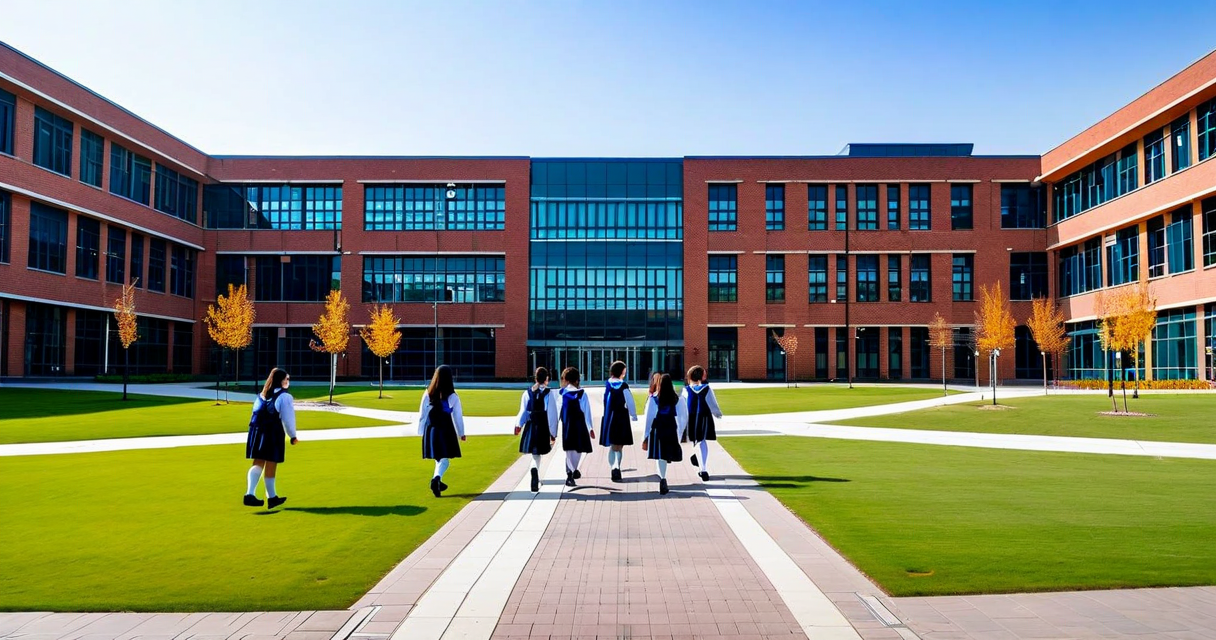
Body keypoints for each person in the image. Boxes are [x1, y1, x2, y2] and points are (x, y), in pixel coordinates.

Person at [244, 368, 298, 510]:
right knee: (271, 463)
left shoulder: (260, 396)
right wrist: (293, 436)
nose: (288, 381)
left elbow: (255, 414)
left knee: (258, 461)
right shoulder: (284, 397)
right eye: (286, 379)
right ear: (280, 380)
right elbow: (288, 419)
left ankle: (253, 494)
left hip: (256, 431)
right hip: (273, 432)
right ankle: (270, 497)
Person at [418, 365, 466, 497]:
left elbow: (422, 414)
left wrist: (421, 432)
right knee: (444, 459)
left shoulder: (428, 393)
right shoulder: (453, 396)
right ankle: (436, 480)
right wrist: (461, 433)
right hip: (445, 430)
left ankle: (437, 482)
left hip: (431, 429)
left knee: (439, 459)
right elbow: (457, 416)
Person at [642, 373, 687, 495]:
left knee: (660, 455)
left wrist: (645, 436)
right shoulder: (678, 399)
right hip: (671, 427)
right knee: (666, 454)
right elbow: (683, 417)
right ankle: (663, 478)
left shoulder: (654, 399)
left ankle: (662, 478)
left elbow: (648, 418)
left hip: (658, 428)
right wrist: (679, 434)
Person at [516, 366, 559, 493]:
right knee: (538, 453)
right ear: (547, 378)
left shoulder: (527, 392)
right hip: (543, 424)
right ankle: (535, 471)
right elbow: (552, 414)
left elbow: (523, 411)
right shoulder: (549, 393)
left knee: (535, 453)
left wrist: (518, 425)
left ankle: (534, 471)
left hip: (531, 424)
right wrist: (553, 433)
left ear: (535, 378)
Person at [683, 365, 724, 481]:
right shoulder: (707, 388)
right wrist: (717, 413)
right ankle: (703, 468)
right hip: (704, 417)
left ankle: (700, 464)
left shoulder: (686, 390)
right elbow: (712, 403)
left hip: (691, 417)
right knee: (701, 441)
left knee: (695, 440)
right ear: (701, 375)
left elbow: (683, 405)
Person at [598, 360, 637, 483]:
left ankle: (613, 467)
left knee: (612, 445)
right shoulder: (623, 385)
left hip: (610, 417)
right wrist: (633, 415)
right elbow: (630, 401)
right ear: (621, 371)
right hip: (621, 417)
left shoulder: (608, 384)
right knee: (619, 446)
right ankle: (617, 467)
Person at [558, 366, 594, 487]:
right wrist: (590, 428)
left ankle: (572, 471)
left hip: (568, 425)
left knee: (569, 449)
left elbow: (557, 412)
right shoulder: (581, 394)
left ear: (565, 380)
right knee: (577, 449)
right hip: (579, 425)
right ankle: (572, 471)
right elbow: (587, 411)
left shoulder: (562, 394)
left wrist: (552, 430)